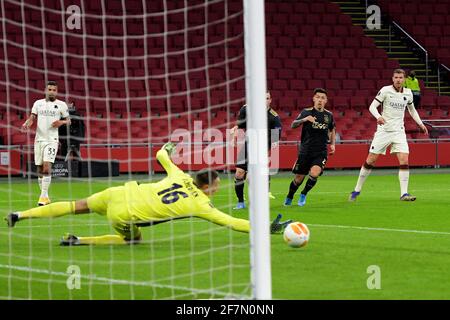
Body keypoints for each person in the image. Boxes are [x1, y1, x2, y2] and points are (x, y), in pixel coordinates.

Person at [5, 143, 291, 245]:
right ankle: (79, 240)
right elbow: (233, 222)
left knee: (73, 205)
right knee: (133, 241)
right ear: (206, 187)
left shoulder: (180, 174)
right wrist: (266, 229)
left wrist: (169, 148)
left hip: (119, 192)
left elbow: (160, 153)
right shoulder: (201, 204)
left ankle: (20, 214)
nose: (217, 190)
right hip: (126, 215)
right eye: (216, 186)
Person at [349, 69, 428, 202]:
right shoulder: (385, 90)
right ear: (392, 79)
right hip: (383, 131)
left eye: (400, 77)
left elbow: (412, 110)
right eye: (396, 77)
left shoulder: (408, 93)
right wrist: (378, 117)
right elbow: (372, 107)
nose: (398, 80)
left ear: (404, 79)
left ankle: (404, 194)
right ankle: (356, 190)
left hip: (399, 131)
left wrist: (421, 124)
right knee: (371, 160)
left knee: (404, 160)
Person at [229, 91, 282, 209]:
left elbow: (276, 136)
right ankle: (240, 202)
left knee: (250, 178)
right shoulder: (246, 109)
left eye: (267, 98)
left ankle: (261, 197)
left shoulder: (274, 117)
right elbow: (239, 125)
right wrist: (233, 135)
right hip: (248, 144)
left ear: (270, 100)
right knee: (239, 174)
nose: (265, 101)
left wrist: (271, 147)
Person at [284, 88, 336, 207]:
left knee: (314, 173)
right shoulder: (306, 112)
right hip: (305, 151)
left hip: (321, 152)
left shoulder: (329, 115)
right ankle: (290, 195)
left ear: (326, 101)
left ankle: (304, 194)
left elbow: (332, 129)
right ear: (313, 99)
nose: (320, 100)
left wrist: (333, 144)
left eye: (322, 98)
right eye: (317, 97)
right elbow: (293, 125)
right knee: (298, 179)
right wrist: (305, 119)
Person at [21, 81, 71, 206]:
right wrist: (28, 123)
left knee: (47, 166)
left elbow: (68, 120)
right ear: (45, 90)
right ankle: (46, 195)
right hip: (39, 139)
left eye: (54, 90)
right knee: (39, 168)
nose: (52, 91)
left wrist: (61, 122)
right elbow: (32, 117)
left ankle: (42, 197)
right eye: (50, 89)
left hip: (52, 140)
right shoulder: (38, 103)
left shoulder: (62, 105)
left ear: (57, 91)